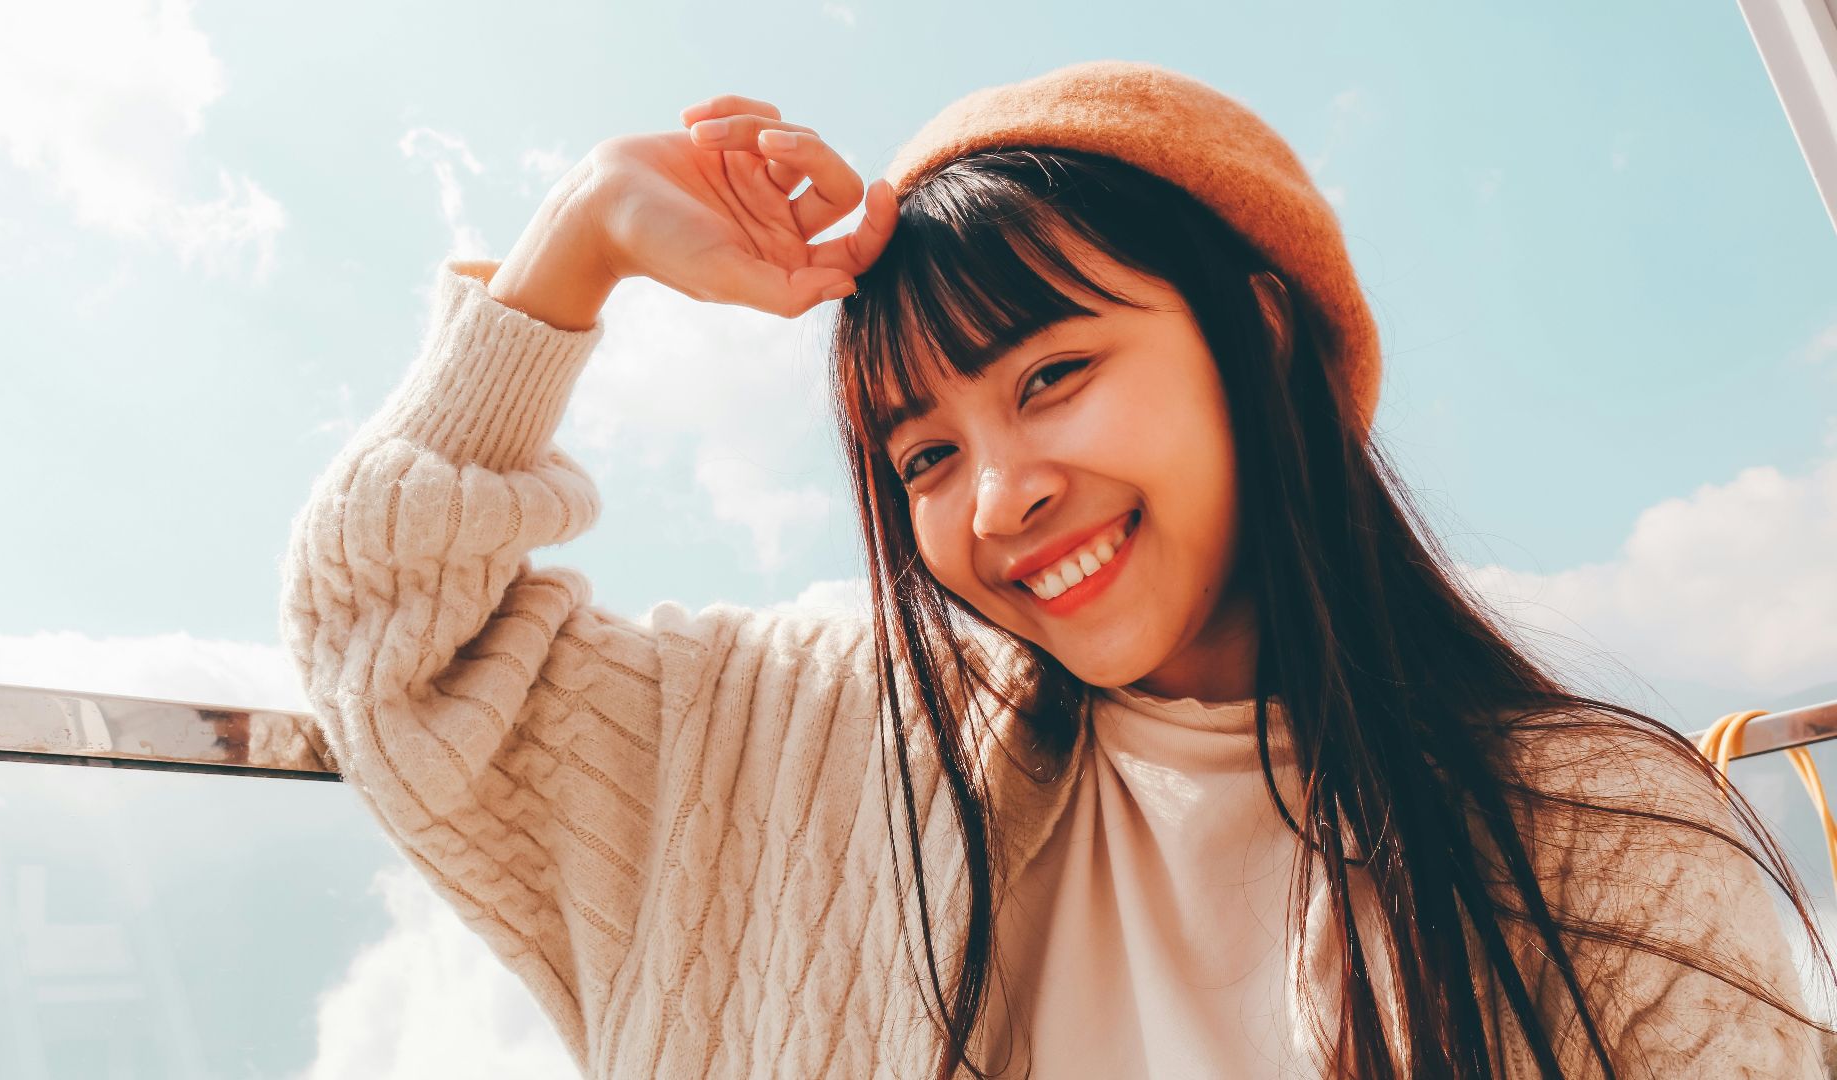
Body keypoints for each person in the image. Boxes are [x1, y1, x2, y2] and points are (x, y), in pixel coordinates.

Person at [278, 60, 1836, 1079]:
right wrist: (579, 242)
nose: (1001, 495)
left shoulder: (1597, 836)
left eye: (1051, 376)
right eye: (923, 457)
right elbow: (393, 654)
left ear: (1257, 334)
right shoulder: (819, 741)